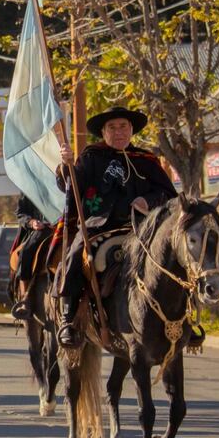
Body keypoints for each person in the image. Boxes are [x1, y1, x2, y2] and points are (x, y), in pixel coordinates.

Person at [55, 106, 177, 348]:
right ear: (103, 131)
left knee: (176, 257)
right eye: (112, 127)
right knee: (74, 254)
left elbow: (168, 194)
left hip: (143, 228)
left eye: (123, 126)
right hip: (100, 226)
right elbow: (72, 187)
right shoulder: (91, 157)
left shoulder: (147, 161)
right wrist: (65, 166)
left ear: (131, 130)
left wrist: (148, 200)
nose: (118, 132)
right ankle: (68, 319)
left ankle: (184, 318)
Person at [8, 194, 53, 319]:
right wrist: (32, 222)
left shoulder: (65, 179)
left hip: (67, 225)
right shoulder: (30, 184)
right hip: (42, 229)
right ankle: (25, 297)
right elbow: (21, 213)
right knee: (26, 251)